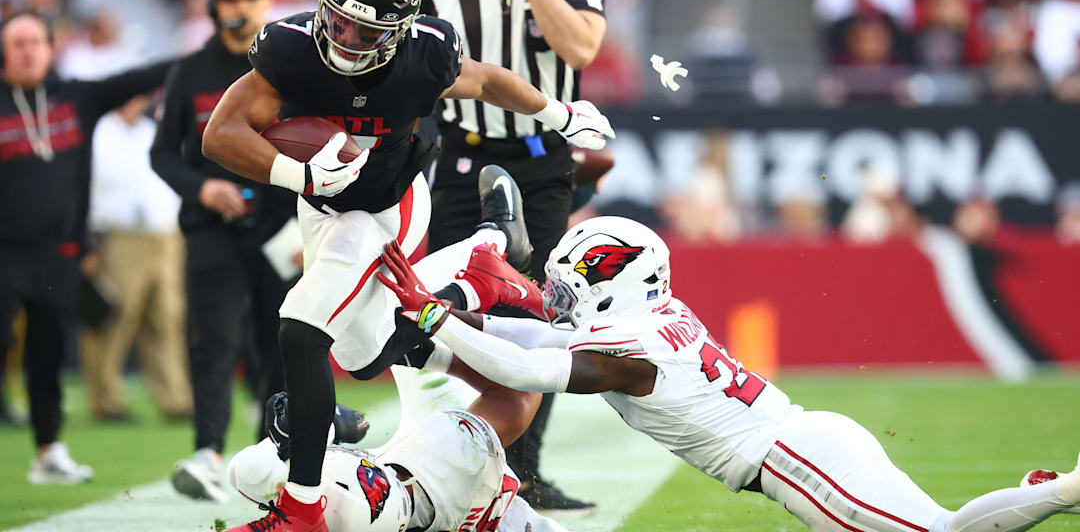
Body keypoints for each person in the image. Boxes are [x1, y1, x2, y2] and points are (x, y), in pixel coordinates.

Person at [201, 0, 614, 531]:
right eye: (339, 24)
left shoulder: (423, 54)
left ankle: (302, 511)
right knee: (360, 353)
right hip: (321, 204)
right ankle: (480, 265)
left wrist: (558, 113)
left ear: (398, 30)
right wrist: (300, 172)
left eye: (366, 35)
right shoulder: (290, 48)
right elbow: (220, 133)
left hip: (385, 204)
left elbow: (491, 81)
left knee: (302, 327)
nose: (346, 42)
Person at [378, 216, 1080, 532]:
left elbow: (528, 361)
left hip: (795, 460)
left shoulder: (631, 355)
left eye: (571, 287)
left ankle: (1065, 490)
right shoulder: (655, 316)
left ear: (611, 283)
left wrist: (437, 317)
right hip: (809, 441)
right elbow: (533, 333)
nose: (561, 300)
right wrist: (461, 307)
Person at [419, 0, 607, 507]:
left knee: (546, 311)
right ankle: (449, 463)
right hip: (461, 156)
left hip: (543, 157)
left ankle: (522, 474)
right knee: (448, 311)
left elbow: (579, 49)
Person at [0, 11, 171, 484]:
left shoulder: (77, 97)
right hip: (4, 251)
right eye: (18, 43)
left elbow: (141, 77)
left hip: (58, 253)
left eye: (36, 40)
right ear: (4, 52)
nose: (29, 50)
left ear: (51, 47)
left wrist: (212, 51)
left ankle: (49, 451)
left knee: (48, 356)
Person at [150, 0, 295, 503]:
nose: (237, 9)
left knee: (277, 346)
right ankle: (208, 452)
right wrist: (202, 188)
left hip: (279, 228)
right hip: (212, 227)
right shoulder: (190, 71)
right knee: (213, 341)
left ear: (266, 1)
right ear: (213, 7)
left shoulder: (292, 67)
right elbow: (163, 154)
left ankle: (269, 457)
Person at [225, 366, 569, 532]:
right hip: (457, 487)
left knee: (253, 471)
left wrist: (317, 432)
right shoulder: (457, 457)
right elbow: (524, 389)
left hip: (431, 486)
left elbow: (248, 470)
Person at [81, 93, 191, 422]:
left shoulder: (150, 130)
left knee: (167, 319)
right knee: (114, 318)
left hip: (165, 235)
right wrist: (88, 244)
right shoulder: (99, 132)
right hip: (120, 235)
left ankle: (175, 398)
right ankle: (106, 399)